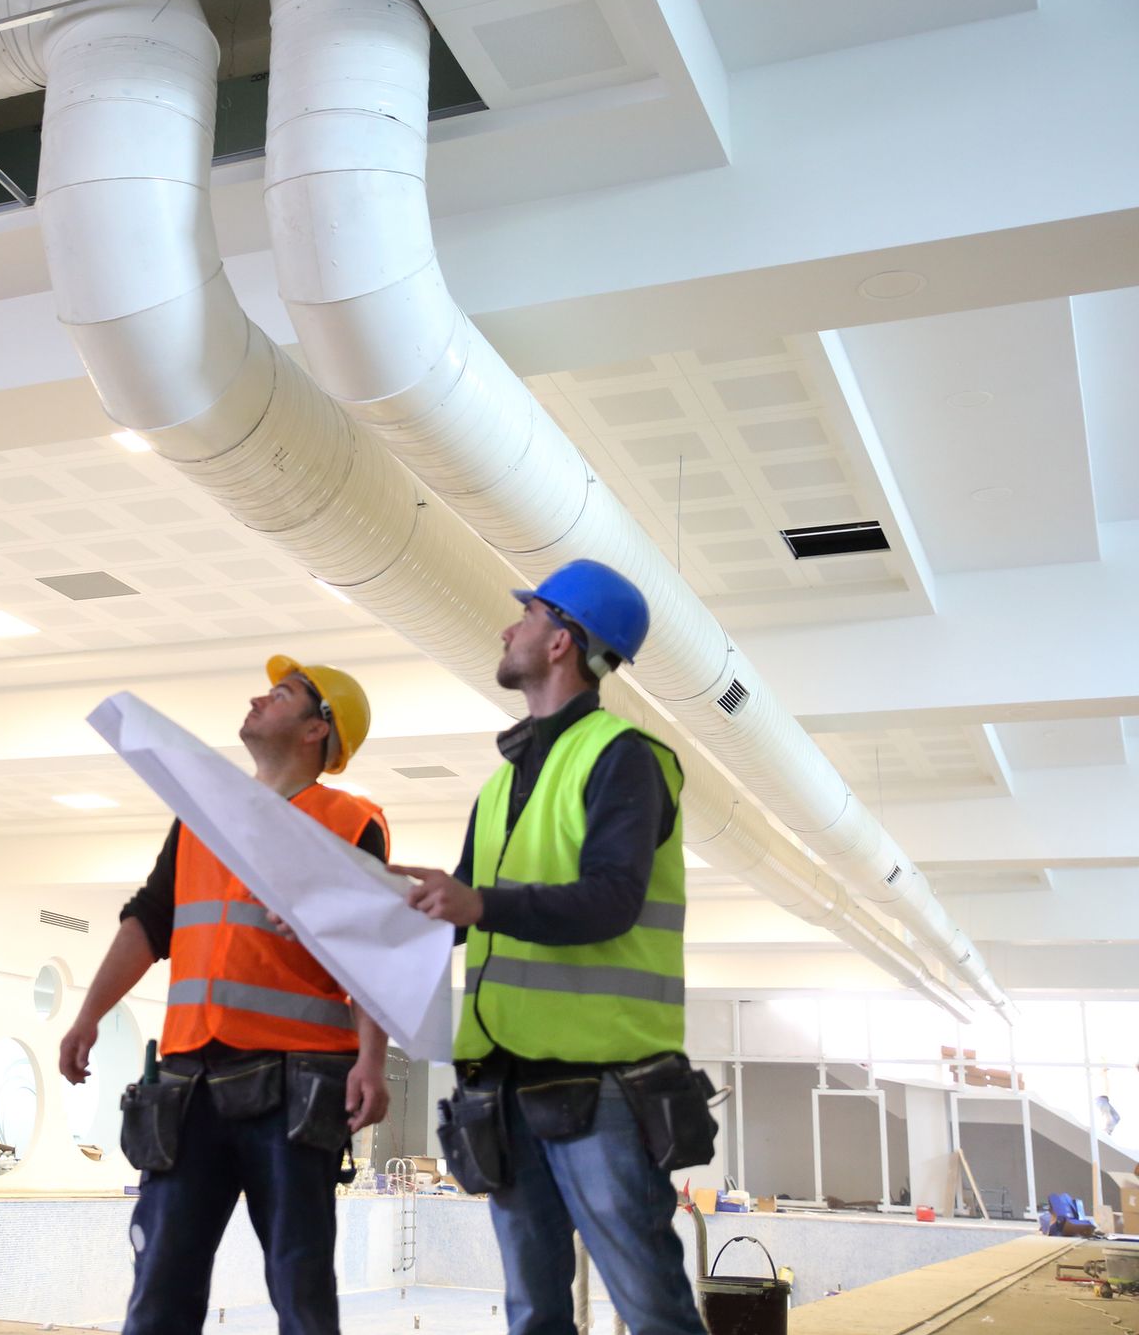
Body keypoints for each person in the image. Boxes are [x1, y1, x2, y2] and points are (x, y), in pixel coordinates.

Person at [396, 560, 711, 1335]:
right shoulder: (501, 783)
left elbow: (612, 899)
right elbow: (463, 910)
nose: (508, 629)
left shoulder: (625, 757)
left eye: (526, 615)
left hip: (601, 1081)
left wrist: (478, 901)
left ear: (562, 641)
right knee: (533, 1310)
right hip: (502, 1079)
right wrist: (353, 908)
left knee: (652, 1307)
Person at [60, 656, 392, 1335]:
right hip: (188, 1085)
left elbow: (372, 951)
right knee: (159, 1291)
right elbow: (150, 919)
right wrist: (90, 1012)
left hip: (294, 1089)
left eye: (280, 693)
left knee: (301, 1293)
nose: (256, 698)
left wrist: (372, 1061)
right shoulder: (200, 813)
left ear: (316, 730)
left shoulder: (350, 821)